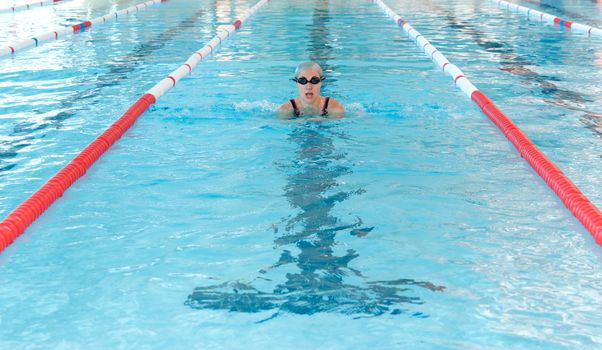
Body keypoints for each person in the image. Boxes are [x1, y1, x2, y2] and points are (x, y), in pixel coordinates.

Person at [278, 62, 345, 119]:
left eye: (314, 80)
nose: (309, 87)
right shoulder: (285, 109)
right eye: (303, 81)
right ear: (296, 83)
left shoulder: (335, 108)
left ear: (321, 83)